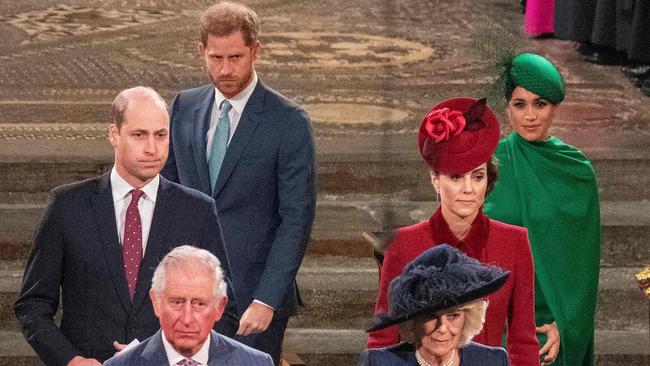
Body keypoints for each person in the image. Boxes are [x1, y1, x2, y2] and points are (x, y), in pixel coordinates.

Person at [14, 87, 235, 366]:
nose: (152, 148)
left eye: (160, 135)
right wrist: (72, 361)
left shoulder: (197, 210)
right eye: (139, 135)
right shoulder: (67, 206)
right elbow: (32, 306)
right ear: (114, 134)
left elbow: (225, 312)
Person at [160, 2, 316, 363]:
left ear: (255, 51)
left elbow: (296, 218)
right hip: (189, 298)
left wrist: (267, 300)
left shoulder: (289, 121)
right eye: (215, 58)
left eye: (236, 57)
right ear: (201, 52)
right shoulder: (184, 106)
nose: (226, 69)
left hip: (254, 301)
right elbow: (167, 198)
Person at [367, 97, 539, 365]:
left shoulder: (514, 242)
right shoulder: (403, 244)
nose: (468, 189)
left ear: (488, 181)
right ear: (436, 180)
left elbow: (523, 342)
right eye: (456, 177)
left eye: (478, 176)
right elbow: (383, 340)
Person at [484, 52, 601, 366]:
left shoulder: (576, 171)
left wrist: (566, 326)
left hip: (551, 319)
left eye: (541, 104)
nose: (530, 116)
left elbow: (583, 270)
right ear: (507, 107)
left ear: (555, 108)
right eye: (520, 104)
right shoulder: (488, 165)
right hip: (493, 316)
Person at [104, 245, 273, 366]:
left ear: (219, 307)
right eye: (177, 302)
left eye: (199, 304)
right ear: (156, 303)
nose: (187, 319)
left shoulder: (257, 362)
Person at [360, 245, 510, 366]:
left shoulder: (493, 360)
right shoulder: (379, 362)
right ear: (412, 322)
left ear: (468, 319)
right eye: (431, 316)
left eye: (453, 315)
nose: (442, 328)